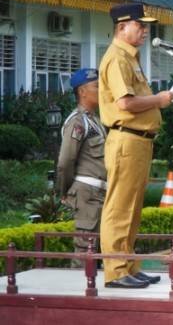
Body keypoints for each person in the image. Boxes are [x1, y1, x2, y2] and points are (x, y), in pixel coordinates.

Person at [99, 3, 173, 288]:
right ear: (122, 27)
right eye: (140, 26)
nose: (145, 31)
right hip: (126, 139)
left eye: (146, 27)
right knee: (119, 207)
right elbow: (125, 103)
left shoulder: (130, 58)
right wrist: (159, 100)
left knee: (132, 208)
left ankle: (128, 264)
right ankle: (116, 270)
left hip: (139, 141)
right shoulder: (117, 58)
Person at [56, 68, 106, 268]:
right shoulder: (77, 122)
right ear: (82, 91)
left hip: (101, 193)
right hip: (87, 194)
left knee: (100, 252)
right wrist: (65, 190)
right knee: (85, 251)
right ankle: (79, 296)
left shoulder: (95, 121)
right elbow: (65, 161)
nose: (102, 90)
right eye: (97, 86)